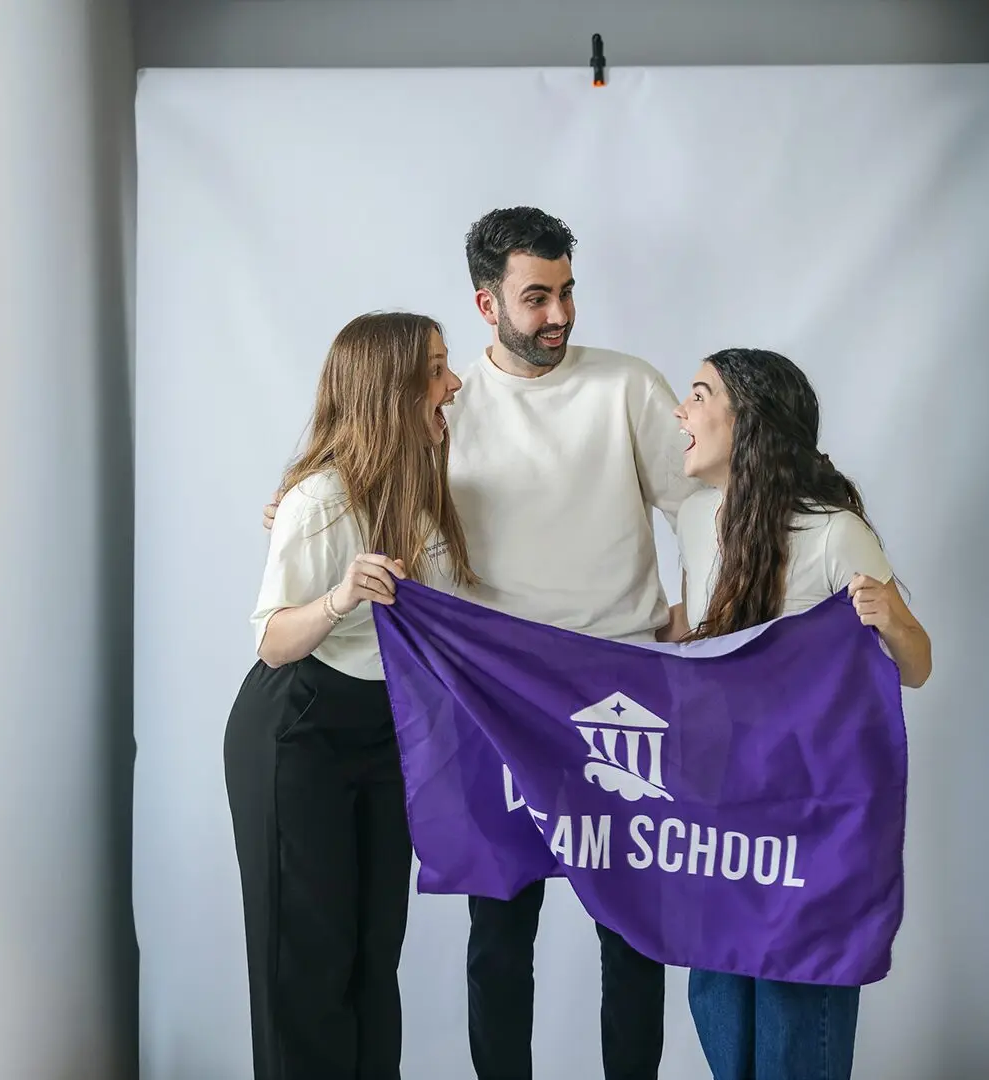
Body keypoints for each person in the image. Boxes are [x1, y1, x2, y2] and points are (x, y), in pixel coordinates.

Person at [264, 207, 700, 1080]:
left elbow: (698, 499)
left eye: (567, 291)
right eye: (535, 297)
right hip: (495, 695)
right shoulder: (447, 406)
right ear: (486, 302)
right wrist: (297, 509)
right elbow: (373, 483)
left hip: (623, 685)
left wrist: (699, 599)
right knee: (501, 929)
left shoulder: (627, 387)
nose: (559, 314)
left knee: (633, 930)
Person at [665, 346, 932, 1080]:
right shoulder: (693, 517)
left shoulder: (832, 532)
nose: (680, 412)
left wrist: (892, 621)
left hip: (809, 816)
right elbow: (700, 639)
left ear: (744, 420)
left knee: (793, 1010)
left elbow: (916, 666)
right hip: (719, 805)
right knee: (721, 999)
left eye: (697, 395)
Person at [226, 311, 475, 1080]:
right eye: (436, 369)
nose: (454, 382)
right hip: (298, 728)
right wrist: (339, 598)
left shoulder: (424, 489)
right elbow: (270, 641)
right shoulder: (318, 502)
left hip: (382, 730)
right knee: (305, 958)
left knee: (373, 953)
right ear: (390, 388)